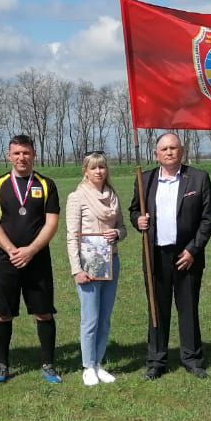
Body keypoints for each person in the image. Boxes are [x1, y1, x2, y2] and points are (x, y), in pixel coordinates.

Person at [128, 132, 211, 380]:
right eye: (164, 149)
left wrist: (192, 250)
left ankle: (192, 359)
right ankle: (157, 360)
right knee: (158, 308)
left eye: (173, 148)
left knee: (188, 308)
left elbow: (207, 219)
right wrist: (138, 220)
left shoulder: (198, 178)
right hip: (155, 255)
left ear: (182, 151)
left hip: (187, 254)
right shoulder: (145, 179)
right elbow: (134, 210)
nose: (169, 152)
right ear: (156, 154)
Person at [0, 134, 61, 383]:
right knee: (3, 314)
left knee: (44, 313)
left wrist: (30, 250)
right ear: (9, 155)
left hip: (37, 259)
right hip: (6, 260)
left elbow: (51, 223)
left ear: (33, 154)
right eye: (16, 153)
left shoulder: (47, 184)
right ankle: (2, 365)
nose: (21, 157)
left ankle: (48, 364)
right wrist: (11, 249)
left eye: (26, 153)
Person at [66, 151, 126, 386]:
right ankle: (87, 365)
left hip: (111, 261)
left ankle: (99, 363)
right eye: (93, 168)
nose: (99, 171)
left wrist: (117, 233)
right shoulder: (77, 197)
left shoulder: (113, 196)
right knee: (90, 318)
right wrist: (76, 269)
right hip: (88, 265)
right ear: (85, 171)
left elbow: (122, 228)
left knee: (105, 317)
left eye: (102, 167)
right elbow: (72, 237)